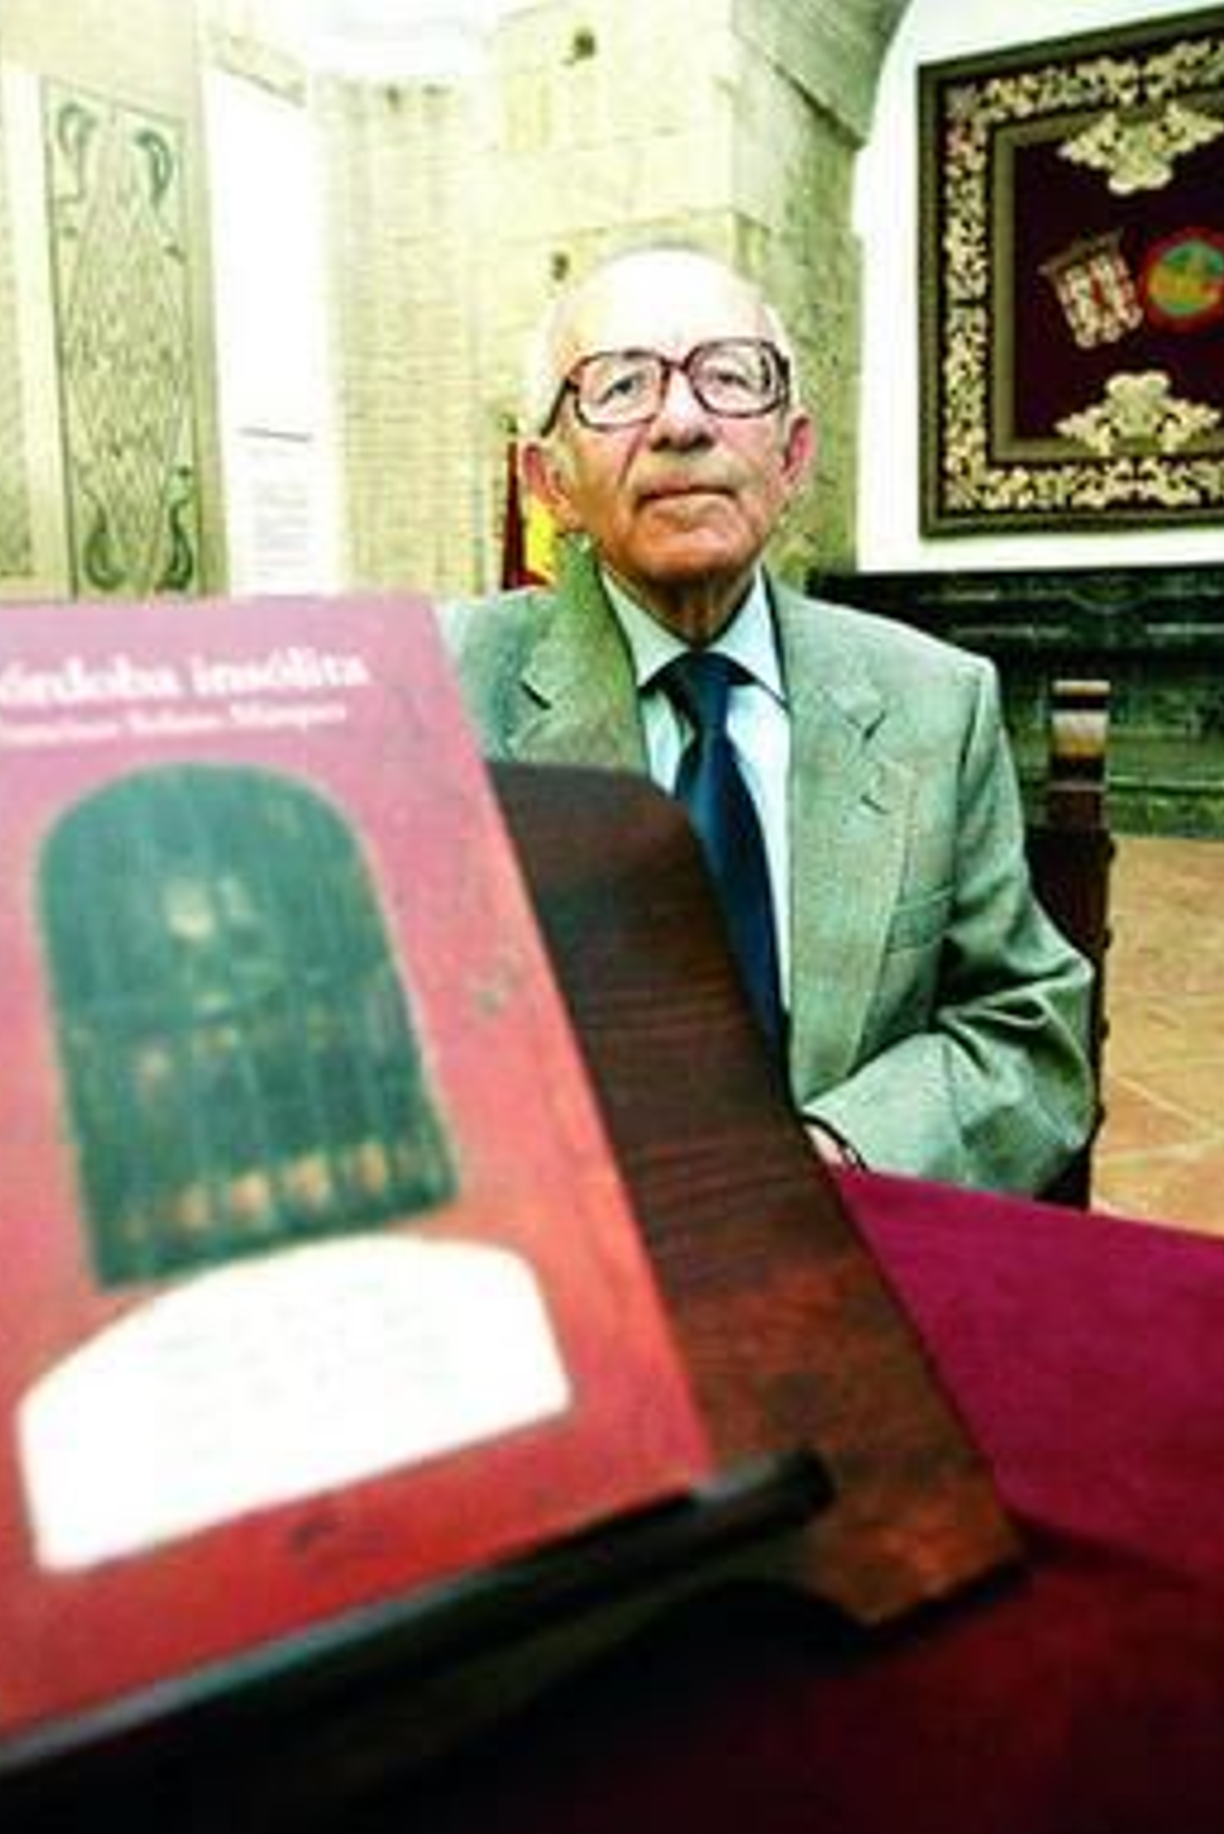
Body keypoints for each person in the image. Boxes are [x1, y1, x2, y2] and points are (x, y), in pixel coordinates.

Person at [444, 245, 1094, 1194]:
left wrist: (840, 1156)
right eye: (621, 385)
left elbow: (1028, 1027)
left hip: (851, 1250)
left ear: (792, 456)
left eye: (728, 377)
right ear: (552, 484)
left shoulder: (933, 703)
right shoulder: (439, 698)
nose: (680, 421)